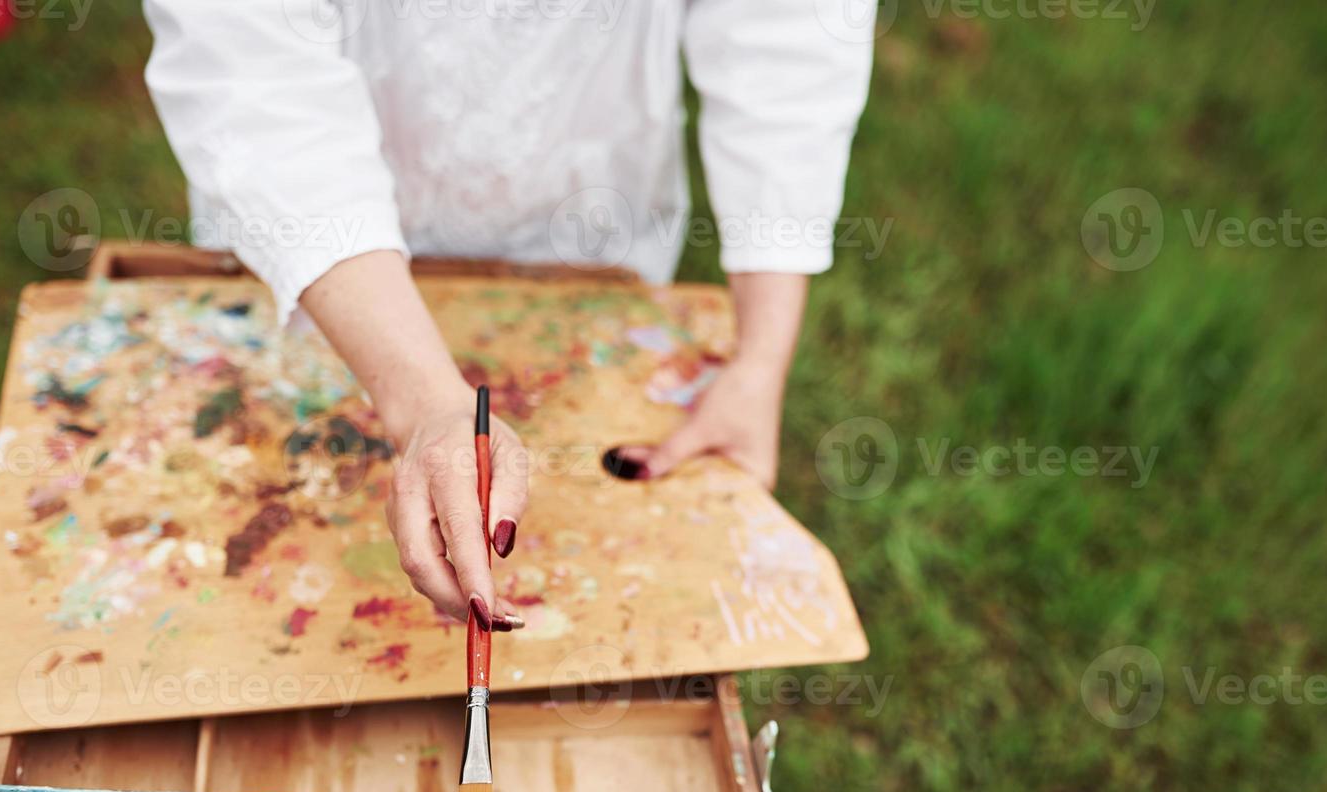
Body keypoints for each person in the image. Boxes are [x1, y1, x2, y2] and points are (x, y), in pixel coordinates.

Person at [143, 0, 873, 629]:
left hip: (588, 223)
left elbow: (785, 31)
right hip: (322, 257)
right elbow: (249, 72)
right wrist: (425, 399)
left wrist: (761, 357)